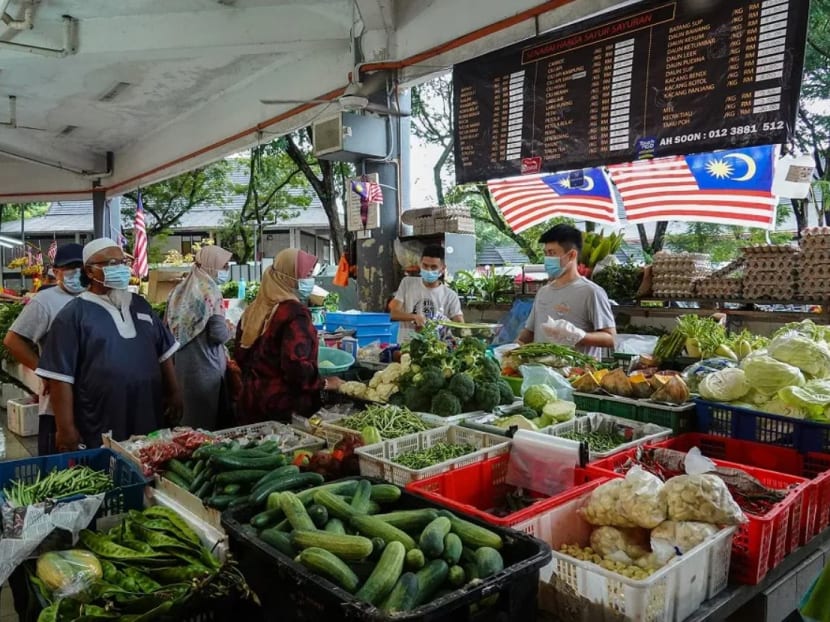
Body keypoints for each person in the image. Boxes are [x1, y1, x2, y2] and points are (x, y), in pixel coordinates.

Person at [35, 238, 183, 451]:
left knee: (148, 461)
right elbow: (60, 378)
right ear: (90, 271)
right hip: (100, 416)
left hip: (147, 409)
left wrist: (174, 392)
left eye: (122, 262)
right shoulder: (73, 315)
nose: (120, 268)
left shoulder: (140, 305)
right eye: (111, 263)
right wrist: (65, 428)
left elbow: (164, 352)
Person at [235, 248, 338, 424]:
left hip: (251, 403)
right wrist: (326, 383)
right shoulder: (293, 313)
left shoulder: (254, 309)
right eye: (305, 275)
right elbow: (296, 366)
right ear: (287, 277)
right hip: (283, 409)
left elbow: (240, 355)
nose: (310, 281)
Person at [3, 243, 86, 454]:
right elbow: (13, 340)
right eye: (69, 267)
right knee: (59, 464)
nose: (76, 272)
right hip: (56, 405)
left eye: (81, 266)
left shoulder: (94, 297)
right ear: (56, 272)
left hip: (92, 400)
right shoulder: (45, 301)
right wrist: (43, 371)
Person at [516, 224, 616, 359]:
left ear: (571, 255)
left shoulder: (591, 292)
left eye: (552, 253)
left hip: (576, 375)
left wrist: (579, 336)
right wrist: (514, 347)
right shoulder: (543, 292)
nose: (547, 259)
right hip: (541, 372)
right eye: (545, 253)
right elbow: (529, 332)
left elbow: (611, 338)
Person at [164, 245, 233, 431]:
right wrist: (230, 329)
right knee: (204, 429)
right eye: (224, 266)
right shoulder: (210, 292)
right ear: (212, 265)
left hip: (182, 368)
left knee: (186, 425)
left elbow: (167, 327)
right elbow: (218, 334)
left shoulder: (179, 290)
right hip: (206, 368)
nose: (226, 270)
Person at [389, 244, 464, 343]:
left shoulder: (450, 295)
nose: (428, 270)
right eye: (425, 265)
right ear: (420, 263)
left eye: (433, 267)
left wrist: (448, 325)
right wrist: (415, 317)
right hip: (406, 343)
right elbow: (394, 313)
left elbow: (460, 325)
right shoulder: (407, 283)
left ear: (442, 268)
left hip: (435, 347)